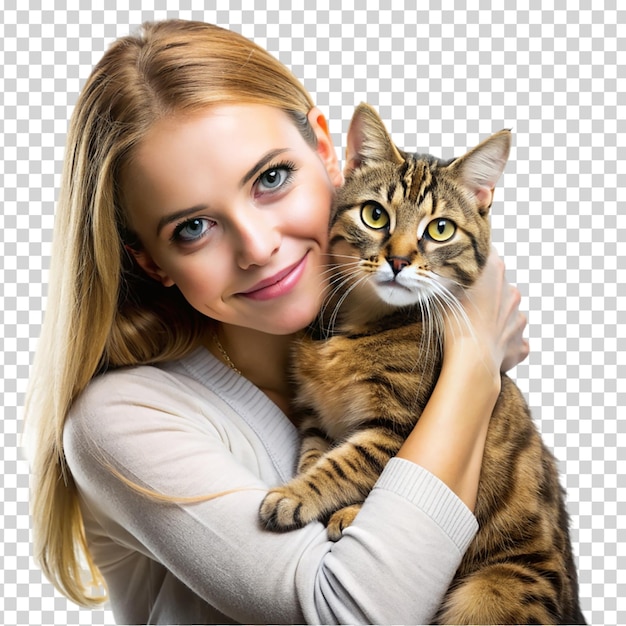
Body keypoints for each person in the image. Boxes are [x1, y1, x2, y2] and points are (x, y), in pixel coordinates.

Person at [24, 19, 529, 625]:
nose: (258, 247)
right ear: (151, 262)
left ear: (327, 154)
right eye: (192, 227)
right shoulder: (121, 421)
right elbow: (355, 613)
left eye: (271, 178)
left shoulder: (394, 341)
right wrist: (475, 368)